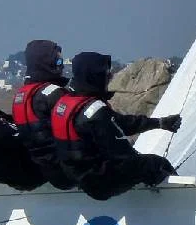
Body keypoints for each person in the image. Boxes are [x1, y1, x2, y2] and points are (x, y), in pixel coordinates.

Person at [51, 51, 181, 200]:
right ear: (94, 76)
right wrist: (140, 163)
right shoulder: (96, 112)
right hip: (100, 186)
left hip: (76, 177)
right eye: (106, 73)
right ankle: (176, 202)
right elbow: (122, 153)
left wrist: (160, 123)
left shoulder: (64, 103)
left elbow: (121, 122)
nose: (111, 76)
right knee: (156, 163)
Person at [11, 39, 76, 189]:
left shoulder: (20, 96)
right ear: (47, 63)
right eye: (59, 61)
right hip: (65, 173)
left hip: (39, 170)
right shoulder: (55, 95)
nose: (62, 66)